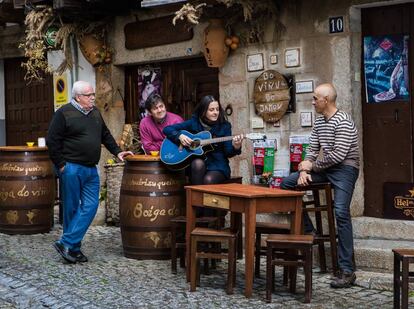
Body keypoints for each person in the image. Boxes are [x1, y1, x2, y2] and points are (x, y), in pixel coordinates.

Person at [281, 83, 359, 289]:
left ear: (326, 100)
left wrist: (312, 166)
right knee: (286, 184)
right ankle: (309, 231)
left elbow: (338, 156)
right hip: (324, 168)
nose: (313, 102)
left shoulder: (343, 121)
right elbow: (313, 148)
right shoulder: (320, 122)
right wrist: (305, 171)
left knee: (341, 212)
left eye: (316, 99)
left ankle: (347, 270)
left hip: (345, 169)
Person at [47, 81, 133, 264]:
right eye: (88, 95)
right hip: (71, 168)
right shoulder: (64, 113)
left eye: (93, 94)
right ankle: (74, 250)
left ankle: (67, 243)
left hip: (91, 170)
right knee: (70, 208)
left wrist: (118, 152)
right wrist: (62, 165)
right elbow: (52, 141)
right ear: (78, 97)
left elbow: (105, 135)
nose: (93, 97)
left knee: (91, 206)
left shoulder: (95, 113)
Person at [163, 95, 243, 186]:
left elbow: (228, 152)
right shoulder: (194, 123)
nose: (215, 112)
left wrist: (237, 146)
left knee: (208, 180)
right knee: (197, 163)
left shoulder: (224, 126)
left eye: (217, 109)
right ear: (203, 111)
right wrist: (179, 136)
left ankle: (197, 199)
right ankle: (196, 199)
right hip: (197, 164)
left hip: (217, 165)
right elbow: (167, 129)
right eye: (211, 110)